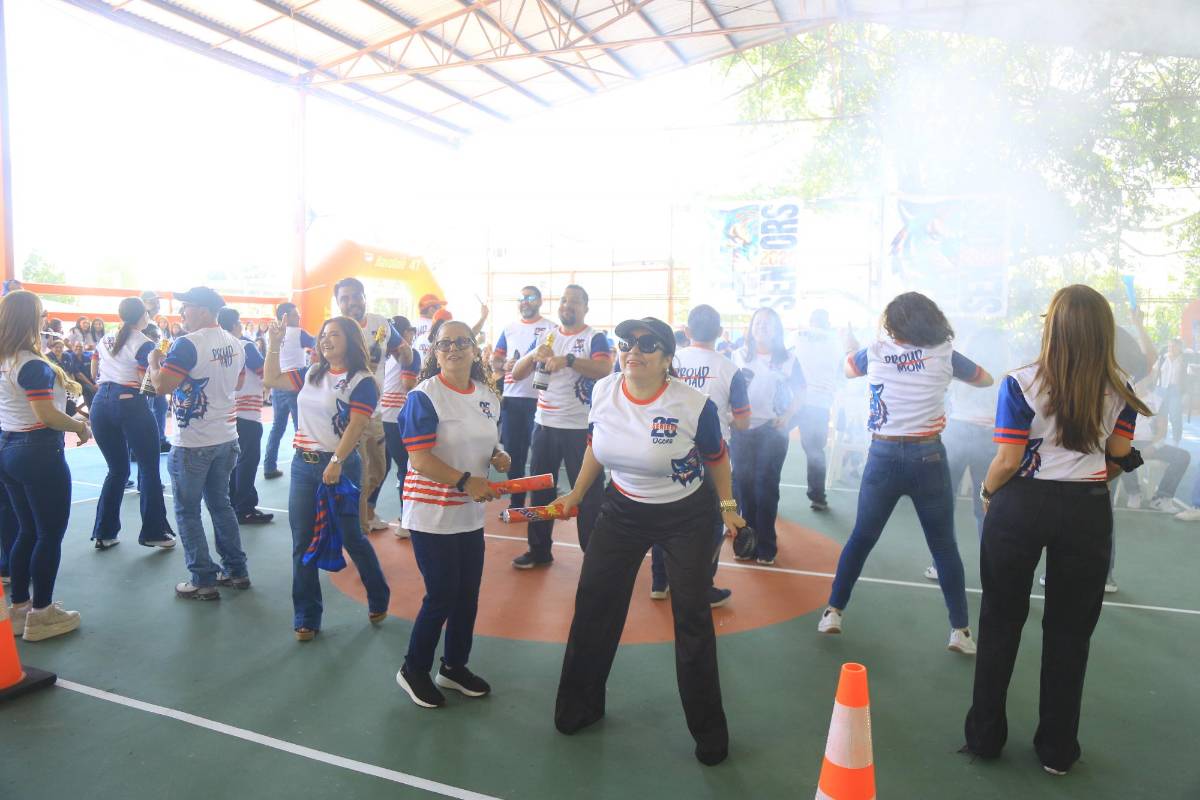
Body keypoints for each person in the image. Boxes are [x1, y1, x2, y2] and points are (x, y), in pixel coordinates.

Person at [963, 284, 1149, 775]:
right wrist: (1092, 479)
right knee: (1070, 632)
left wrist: (986, 492)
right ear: (1104, 331)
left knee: (1000, 620)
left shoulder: (1020, 382)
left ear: (1053, 327)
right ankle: (1057, 749)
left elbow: (1007, 460)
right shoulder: (1122, 387)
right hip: (1086, 510)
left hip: (1020, 505)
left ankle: (984, 738)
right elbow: (1118, 457)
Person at [553, 317, 744, 766]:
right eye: (626, 342)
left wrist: (727, 506)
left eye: (646, 344)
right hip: (622, 509)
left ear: (667, 358)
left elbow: (717, 458)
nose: (632, 350)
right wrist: (576, 494)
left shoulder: (693, 404)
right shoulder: (604, 391)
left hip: (687, 515)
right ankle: (580, 706)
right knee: (594, 602)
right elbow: (595, 446)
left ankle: (709, 734)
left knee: (692, 616)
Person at [819, 292, 992, 654]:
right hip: (928, 456)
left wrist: (849, 343)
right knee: (943, 545)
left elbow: (847, 368)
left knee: (861, 538)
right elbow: (985, 379)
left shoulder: (875, 351)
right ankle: (960, 631)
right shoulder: (945, 354)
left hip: (882, 455)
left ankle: (833, 612)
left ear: (893, 324)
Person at [395, 319, 508, 707]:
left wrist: (498, 455)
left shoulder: (487, 396)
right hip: (432, 512)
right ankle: (413, 669)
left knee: (467, 594)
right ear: (434, 352)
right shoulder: (424, 396)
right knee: (442, 593)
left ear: (475, 349)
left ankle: (454, 667)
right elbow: (419, 459)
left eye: (462, 342)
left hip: (468, 513)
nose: (453, 348)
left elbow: (486, 440)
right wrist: (464, 480)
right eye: (444, 343)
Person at [263, 316, 391, 641]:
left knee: (351, 537)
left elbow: (357, 425)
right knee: (302, 541)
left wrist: (336, 461)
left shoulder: (362, 381)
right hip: (302, 465)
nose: (326, 340)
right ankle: (306, 616)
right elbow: (271, 378)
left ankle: (378, 594)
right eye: (323, 335)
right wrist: (274, 344)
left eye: (334, 334)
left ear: (351, 340)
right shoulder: (312, 373)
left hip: (340, 466)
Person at [148, 286, 249, 600]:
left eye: (186, 307)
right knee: (221, 505)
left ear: (204, 310)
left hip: (193, 443)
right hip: (226, 438)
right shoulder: (235, 343)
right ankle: (237, 570)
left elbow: (162, 385)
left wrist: (153, 362)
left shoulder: (188, 344)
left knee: (187, 511)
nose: (182, 313)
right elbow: (239, 382)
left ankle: (202, 579)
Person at [0, 290, 90, 641]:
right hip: (37, 450)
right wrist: (80, 426)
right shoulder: (32, 365)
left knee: (26, 530)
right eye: (41, 314)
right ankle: (42, 613)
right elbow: (47, 415)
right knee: (49, 534)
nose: (45, 319)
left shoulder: (7, 360)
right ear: (30, 320)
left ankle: (20, 607)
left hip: (8, 447)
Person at [650, 304, 750, 607]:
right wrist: (724, 418)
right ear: (720, 333)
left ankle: (659, 581)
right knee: (711, 521)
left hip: (668, 448)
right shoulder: (730, 369)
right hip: (712, 456)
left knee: (664, 513)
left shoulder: (670, 361)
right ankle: (701, 586)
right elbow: (743, 422)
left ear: (686, 331)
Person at [508, 285, 613, 567]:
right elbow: (516, 373)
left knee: (588, 493)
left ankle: (594, 556)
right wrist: (533, 355)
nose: (567, 305)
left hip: (580, 428)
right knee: (540, 490)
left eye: (574, 301)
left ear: (585, 307)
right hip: (544, 424)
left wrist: (567, 360)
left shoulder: (594, 337)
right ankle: (539, 550)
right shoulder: (547, 336)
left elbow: (604, 369)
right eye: (564, 300)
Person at [924, 327, 1011, 581]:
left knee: (944, 503)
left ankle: (940, 564)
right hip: (990, 437)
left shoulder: (961, 364)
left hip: (958, 432)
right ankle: (992, 570)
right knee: (986, 506)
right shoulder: (1006, 370)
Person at [89, 297, 175, 550]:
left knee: (116, 470)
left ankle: (104, 533)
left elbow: (95, 370)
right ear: (143, 316)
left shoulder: (105, 339)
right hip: (130, 404)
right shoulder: (144, 343)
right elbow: (149, 385)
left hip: (100, 404)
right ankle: (154, 532)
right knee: (148, 469)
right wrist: (158, 362)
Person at [730, 307, 806, 565]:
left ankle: (766, 546)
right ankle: (746, 543)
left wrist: (788, 415)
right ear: (751, 328)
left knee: (766, 487)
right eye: (758, 322)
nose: (762, 326)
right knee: (744, 487)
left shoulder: (788, 359)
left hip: (772, 431)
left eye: (768, 323)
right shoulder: (737, 355)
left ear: (777, 329)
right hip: (741, 430)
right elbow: (726, 389)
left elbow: (801, 391)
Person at [333, 278, 408, 534]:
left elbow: (403, 351)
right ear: (338, 303)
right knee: (361, 475)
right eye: (344, 298)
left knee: (379, 469)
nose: (351, 302)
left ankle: (365, 513)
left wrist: (407, 355)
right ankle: (358, 532)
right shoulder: (335, 330)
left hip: (376, 413)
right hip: (348, 415)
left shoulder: (381, 324)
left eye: (356, 296)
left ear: (365, 297)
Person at [490, 286, 550, 511]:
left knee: (541, 457)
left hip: (540, 400)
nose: (525, 301)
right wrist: (503, 364)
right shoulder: (509, 329)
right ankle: (516, 504)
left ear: (540, 301)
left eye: (530, 297)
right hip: (512, 400)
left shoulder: (551, 328)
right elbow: (495, 361)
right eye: (521, 298)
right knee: (513, 455)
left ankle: (540, 505)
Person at [218, 307, 273, 525]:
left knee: (234, 461)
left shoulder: (219, 348)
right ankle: (245, 507)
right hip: (248, 413)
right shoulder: (245, 345)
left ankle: (234, 503)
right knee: (248, 461)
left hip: (227, 412)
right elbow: (265, 372)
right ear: (235, 325)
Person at [792, 309, 846, 511]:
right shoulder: (836, 341)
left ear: (811, 321)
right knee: (815, 450)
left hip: (794, 400)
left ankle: (754, 495)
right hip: (819, 404)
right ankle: (818, 497)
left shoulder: (798, 335)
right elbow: (842, 373)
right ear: (827, 322)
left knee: (771, 443)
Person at [262, 302, 315, 480]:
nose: (298, 317)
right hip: (294, 384)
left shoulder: (272, 334)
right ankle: (305, 468)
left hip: (278, 383)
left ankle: (269, 466)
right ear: (284, 317)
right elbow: (318, 344)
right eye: (294, 314)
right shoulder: (299, 333)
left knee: (277, 427)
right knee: (301, 428)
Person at [380, 316, 420, 537]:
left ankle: (367, 513)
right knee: (406, 468)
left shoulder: (383, 355)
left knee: (380, 469)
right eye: (411, 330)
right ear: (405, 333)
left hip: (380, 416)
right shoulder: (410, 354)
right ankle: (406, 521)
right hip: (398, 419)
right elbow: (408, 383)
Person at [139, 291, 170, 452]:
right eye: (153, 301)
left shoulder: (154, 324)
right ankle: (142, 444)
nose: (157, 304)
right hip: (144, 371)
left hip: (155, 368)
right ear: (143, 302)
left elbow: (162, 344)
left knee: (160, 405)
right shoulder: (140, 324)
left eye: (157, 301)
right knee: (146, 409)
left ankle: (159, 439)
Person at [1155, 338, 1185, 444]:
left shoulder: (1183, 360)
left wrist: (1185, 393)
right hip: (1161, 389)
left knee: (1175, 416)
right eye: (1169, 346)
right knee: (1161, 416)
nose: (1171, 348)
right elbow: (1155, 372)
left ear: (1179, 348)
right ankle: (1160, 439)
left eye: (1174, 346)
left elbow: (1187, 378)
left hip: (1175, 390)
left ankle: (1176, 440)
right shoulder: (1162, 358)